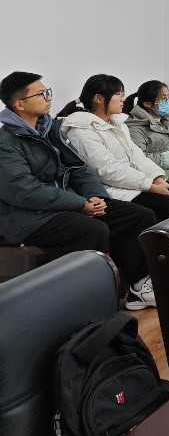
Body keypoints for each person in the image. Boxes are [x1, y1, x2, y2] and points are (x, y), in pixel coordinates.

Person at [0, 71, 157, 309]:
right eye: (40, 94)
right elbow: (25, 191)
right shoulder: (6, 142)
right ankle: (88, 303)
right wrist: (80, 204)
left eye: (47, 91)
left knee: (137, 215)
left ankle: (138, 287)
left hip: (66, 203)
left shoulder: (50, 129)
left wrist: (95, 197)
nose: (48, 97)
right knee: (92, 230)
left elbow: (79, 169)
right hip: (27, 217)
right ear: (19, 104)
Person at [59, 74, 169, 220]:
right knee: (166, 204)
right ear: (98, 98)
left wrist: (157, 178)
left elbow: (136, 155)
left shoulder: (118, 123)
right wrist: (150, 185)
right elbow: (107, 170)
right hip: (111, 189)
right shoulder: (81, 130)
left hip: (133, 182)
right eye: (118, 94)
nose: (123, 98)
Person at [125, 80, 169, 186]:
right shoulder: (134, 128)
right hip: (161, 176)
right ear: (147, 104)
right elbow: (139, 160)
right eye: (163, 99)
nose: (168, 101)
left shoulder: (166, 120)